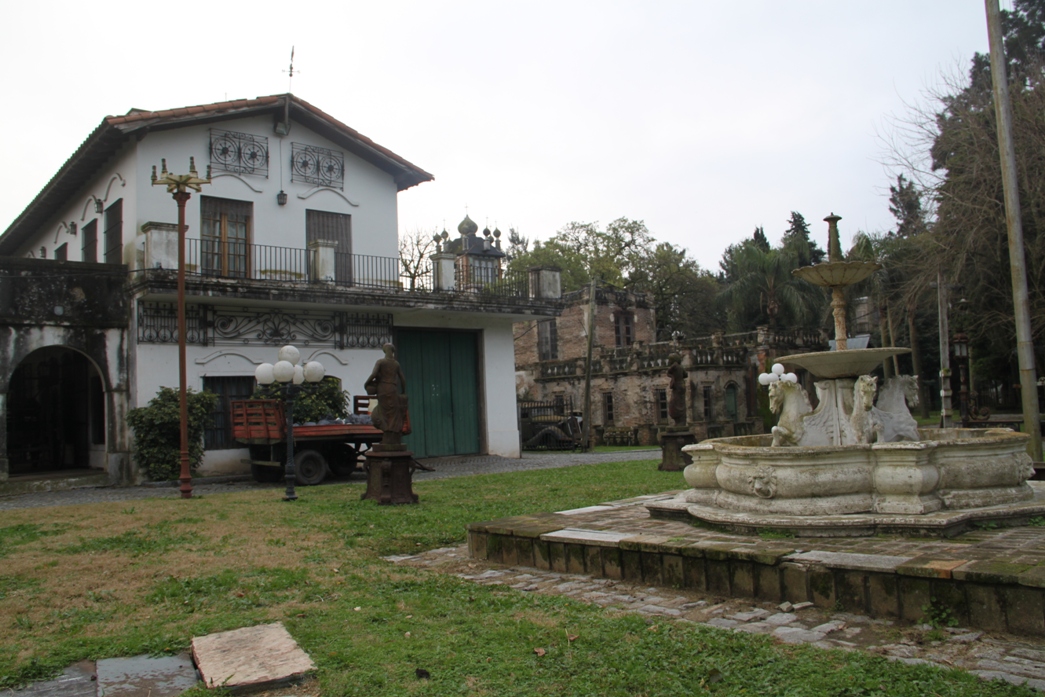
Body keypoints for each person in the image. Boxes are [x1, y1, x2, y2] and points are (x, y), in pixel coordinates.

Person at [364, 343, 408, 444]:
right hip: (392, 388)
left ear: (385, 351)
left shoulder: (380, 362)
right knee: (392, 412)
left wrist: (366, 383)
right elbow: (402, 379)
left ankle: (387, 435)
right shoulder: (396, 364)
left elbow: (374, 374)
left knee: (383, 411)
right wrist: (403, 391)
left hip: (382, 389)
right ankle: (391, 436)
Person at [666, 353, 686, 427]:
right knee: (679, 403)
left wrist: (673, 377)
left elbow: (668, 372)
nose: (668, 361)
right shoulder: (680, 367)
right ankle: (680, 422)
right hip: (682, 385)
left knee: (674, 403)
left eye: (669, 360)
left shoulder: (675, 365)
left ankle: (678, 422)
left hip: (677, 385)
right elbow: (686, 374)